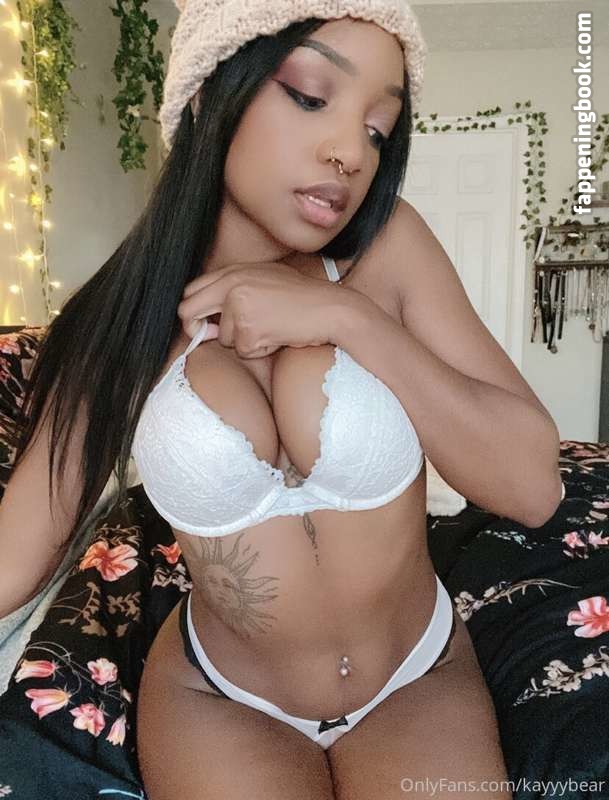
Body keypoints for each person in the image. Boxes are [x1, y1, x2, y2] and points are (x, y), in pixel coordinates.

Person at [1, 1, 563, 797]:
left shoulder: (388, 250)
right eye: (309, 95)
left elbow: (534, 487)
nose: (350, 152)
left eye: (377, 129)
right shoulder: (122, 321)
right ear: (209, 95)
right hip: (220, 699)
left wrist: (347, 318)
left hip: (414, 676)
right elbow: (14, 557)